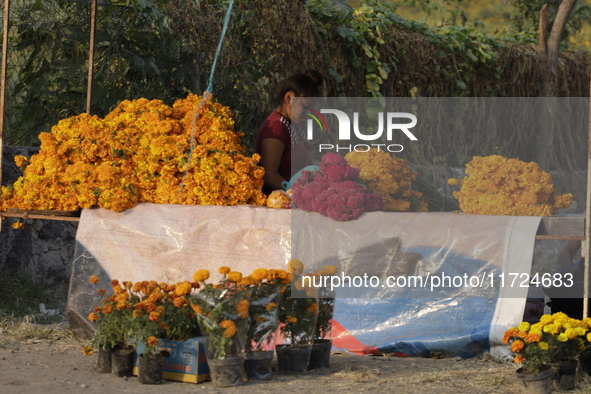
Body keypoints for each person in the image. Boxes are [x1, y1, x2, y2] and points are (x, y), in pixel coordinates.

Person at [255, 70, 324, 195]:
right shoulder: (277, 127)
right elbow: (269, 174)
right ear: (289, 98)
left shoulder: (293, 124)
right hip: (281, 203)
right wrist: (293, 192)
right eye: (305, 107)